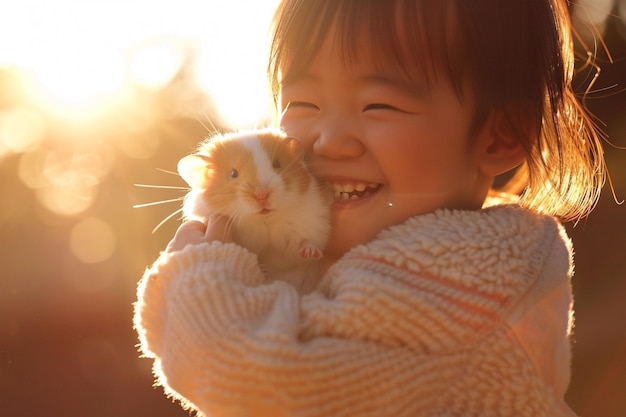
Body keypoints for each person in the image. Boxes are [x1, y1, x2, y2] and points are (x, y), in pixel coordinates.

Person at [134, 0, 607, 416]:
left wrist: (197, 277)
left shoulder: (468, 274)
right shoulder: (389, 247)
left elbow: (273, 381)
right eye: (303, 101)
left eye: (378, 105)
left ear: (500, 135)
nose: (328, 139)